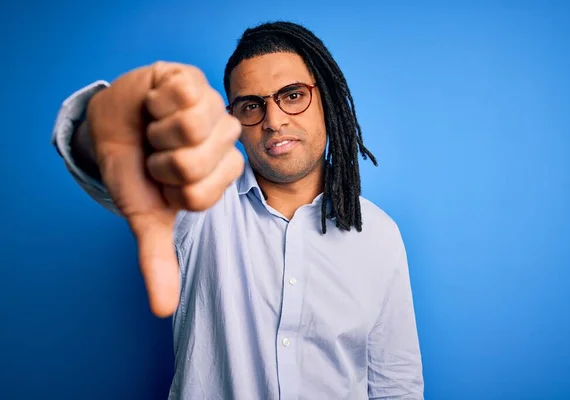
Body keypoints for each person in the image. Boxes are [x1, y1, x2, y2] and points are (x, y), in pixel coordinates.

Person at [52, 21, 424, 399]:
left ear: (325, 98)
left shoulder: (379, 234)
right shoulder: (198, 201)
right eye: (251, 105)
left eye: (293, 96)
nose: (274, 121)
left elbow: (395, 382)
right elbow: (124, 178)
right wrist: (94, 134)